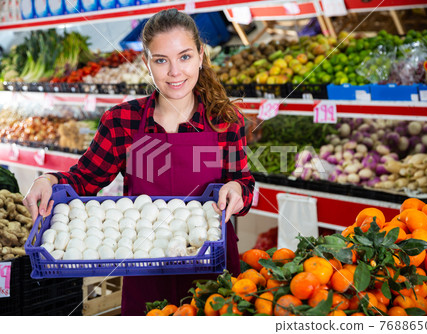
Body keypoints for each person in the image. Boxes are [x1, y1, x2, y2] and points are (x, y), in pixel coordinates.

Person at [23, 8, 254, 316]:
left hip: (212, 270)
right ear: (146, 63)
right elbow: (83, 179)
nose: (175, 72)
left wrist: (237, 189)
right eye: (161, 60)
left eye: (184, 57)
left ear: (201, 56)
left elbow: (245, 183)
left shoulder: (225, 120)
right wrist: (48, 180)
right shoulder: (123, 121)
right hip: (143, 265)